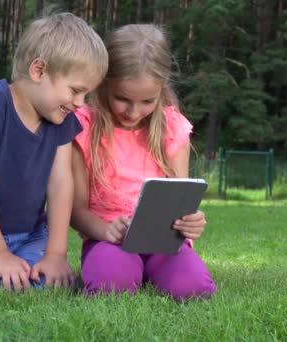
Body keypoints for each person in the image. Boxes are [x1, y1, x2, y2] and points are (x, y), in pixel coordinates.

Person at [0, 12, 108, 291]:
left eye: (85, 95)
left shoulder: (61, 120)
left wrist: (55, 254)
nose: (80, 103)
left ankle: (25, 261)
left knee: (53, 283)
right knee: (6, 284)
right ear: (38, 71)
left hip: (29, 236)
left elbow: (61, 183)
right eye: (76, 91)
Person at [71, 24, 216, 301]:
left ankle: (154, 270)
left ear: (161, 90)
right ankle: (126, 269)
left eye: (147, 101)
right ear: (104, 83)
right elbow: (75, 210)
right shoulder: (84, 128)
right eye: (122, 99)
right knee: (111, 285)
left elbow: (181, 201)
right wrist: (105, 230)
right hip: (108, 240)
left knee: (193, 288)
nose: (133, 111)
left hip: (164, 242)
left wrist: (192, 222)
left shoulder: (172, 128)